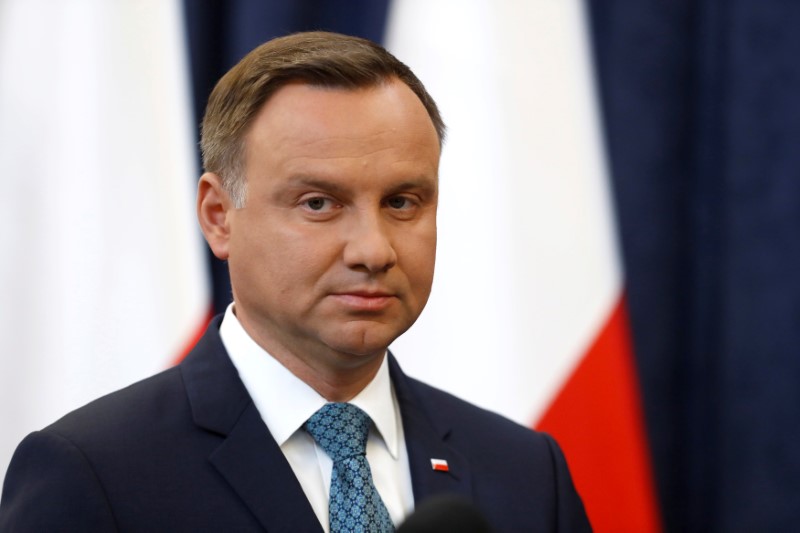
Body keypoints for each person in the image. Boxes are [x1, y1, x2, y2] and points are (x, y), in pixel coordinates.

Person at [0, 31, 591, 532]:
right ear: (218, 216)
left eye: (403, 202)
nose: (373, 249)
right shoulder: (93, 475)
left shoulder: (526, 474)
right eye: (318, 203)